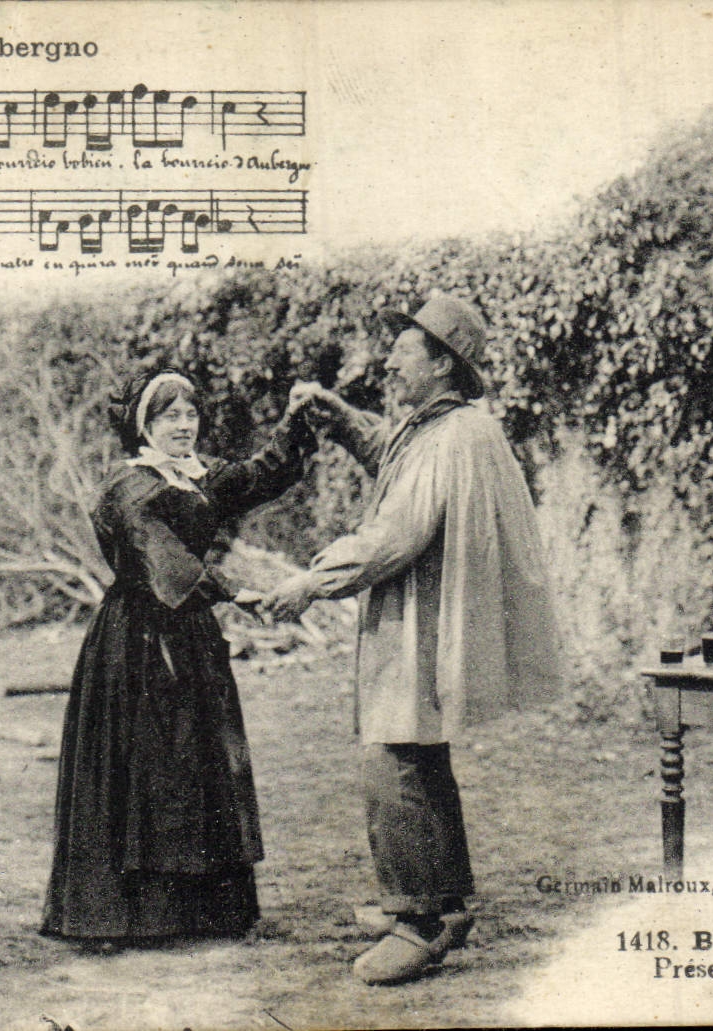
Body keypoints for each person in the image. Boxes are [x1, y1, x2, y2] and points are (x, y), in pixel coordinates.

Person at [262, 294, 564, 986]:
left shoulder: (452, 435)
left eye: (403, 351)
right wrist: (342, 421)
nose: (390, 361)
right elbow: (394, 456)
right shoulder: (446, 426)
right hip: (428, 616)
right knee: (422, 754)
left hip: (421, 618)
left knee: (390, 756)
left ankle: (416, 919)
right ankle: (448, 902)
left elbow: (395, 533)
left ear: (440, 363)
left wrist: (311, 581)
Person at [40, 367, 317, 944]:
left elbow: (258, 476)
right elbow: (154, 547)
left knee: (198, 759)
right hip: (137, 639)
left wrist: (296, 421)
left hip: (189, 635)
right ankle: (127, 915)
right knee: (148, 764)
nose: (184, 427)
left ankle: (205, 910)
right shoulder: (129, 485)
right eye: (170, 417)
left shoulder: (196, 476)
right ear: (143, 424)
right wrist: (231, 591)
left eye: (190, 415)